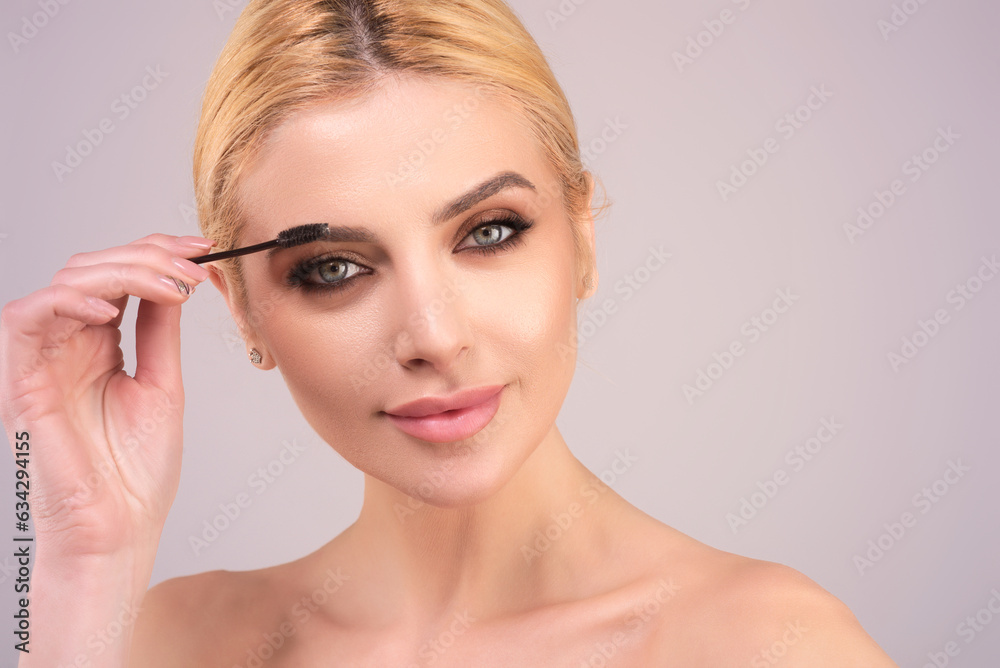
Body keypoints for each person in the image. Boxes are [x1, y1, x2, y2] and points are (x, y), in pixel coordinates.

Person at [0, 0, 900, 665]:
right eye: (335, 269)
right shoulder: (164, 640)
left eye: (490, 232)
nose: (432, 334)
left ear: (582, 238)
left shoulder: (769, 643)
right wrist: (81, 561)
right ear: (243, 310)